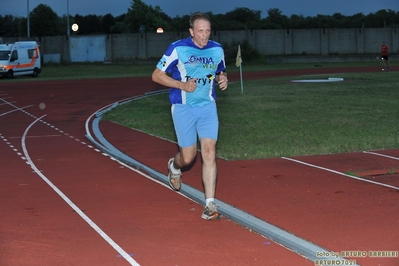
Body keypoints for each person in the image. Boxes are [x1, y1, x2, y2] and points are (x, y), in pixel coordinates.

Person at [152, 12, 228, 221]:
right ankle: (174, 167)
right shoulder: (178, 48)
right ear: (191, 32)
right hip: (183, 107)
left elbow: (220, 71)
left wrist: (223, 79)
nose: (204, 35)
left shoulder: (217, 49)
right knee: (188, 157)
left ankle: (210, 204)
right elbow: (156, 75)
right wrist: (182, 85)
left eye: (208, 31)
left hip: (207, 107)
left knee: (209, 151)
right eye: (200, 31)